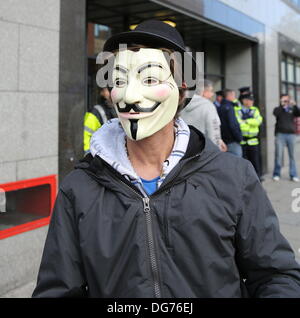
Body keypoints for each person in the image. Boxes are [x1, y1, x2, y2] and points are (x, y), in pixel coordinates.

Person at [32, 20, 300, 298]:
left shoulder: (234, 177)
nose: (130, 95)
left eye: (149, 79)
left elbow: (275, 275)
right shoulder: (79, 188)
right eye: (120, 81)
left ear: (182, 87)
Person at [181, 80, 226, 151]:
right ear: (203, 91)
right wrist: (217, 148)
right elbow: (213, 130)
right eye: (211, 91)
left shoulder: (180, 103)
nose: (212, 94)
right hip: (202, 150)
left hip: (181, 148)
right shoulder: (208, 105)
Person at [272, 94, 300, 182]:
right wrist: (282, 105)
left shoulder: (292, 109)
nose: (286, 101)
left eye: (287, 99)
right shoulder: (278, 109)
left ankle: (293, 175)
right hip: (280, 135)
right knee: (278, 156)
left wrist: (294, 104)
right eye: (284, 99)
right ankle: (276, 174)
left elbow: (298, 113)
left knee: (292, 156)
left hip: (291, 135)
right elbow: (275, 114)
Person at [235, 92, 263, 179]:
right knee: (243, 162)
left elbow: (258, 121)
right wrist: (251, 121)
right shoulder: (237, 109)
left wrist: (247, 121)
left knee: (255, 161)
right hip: (242, 141)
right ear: (244, 101)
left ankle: (257, 178)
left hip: (253, 141)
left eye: (252, 100)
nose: (252, 102)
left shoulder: (255, 109)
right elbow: (238, 123)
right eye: (250, 100)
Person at [83, 86, 116, 155]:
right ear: (102, 93)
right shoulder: (96, 111)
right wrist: (90, 157)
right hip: (100, 157)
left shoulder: (118, 110)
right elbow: (87, 136)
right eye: (108, 89)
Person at [219, 89, 243, 157]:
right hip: (232, 141)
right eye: (233, 95)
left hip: (223, 141)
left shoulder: (220, 107)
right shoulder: (229, 108)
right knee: (237, 164)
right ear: (229, 96)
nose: (234, 98)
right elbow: (233, 125)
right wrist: (239, 138)